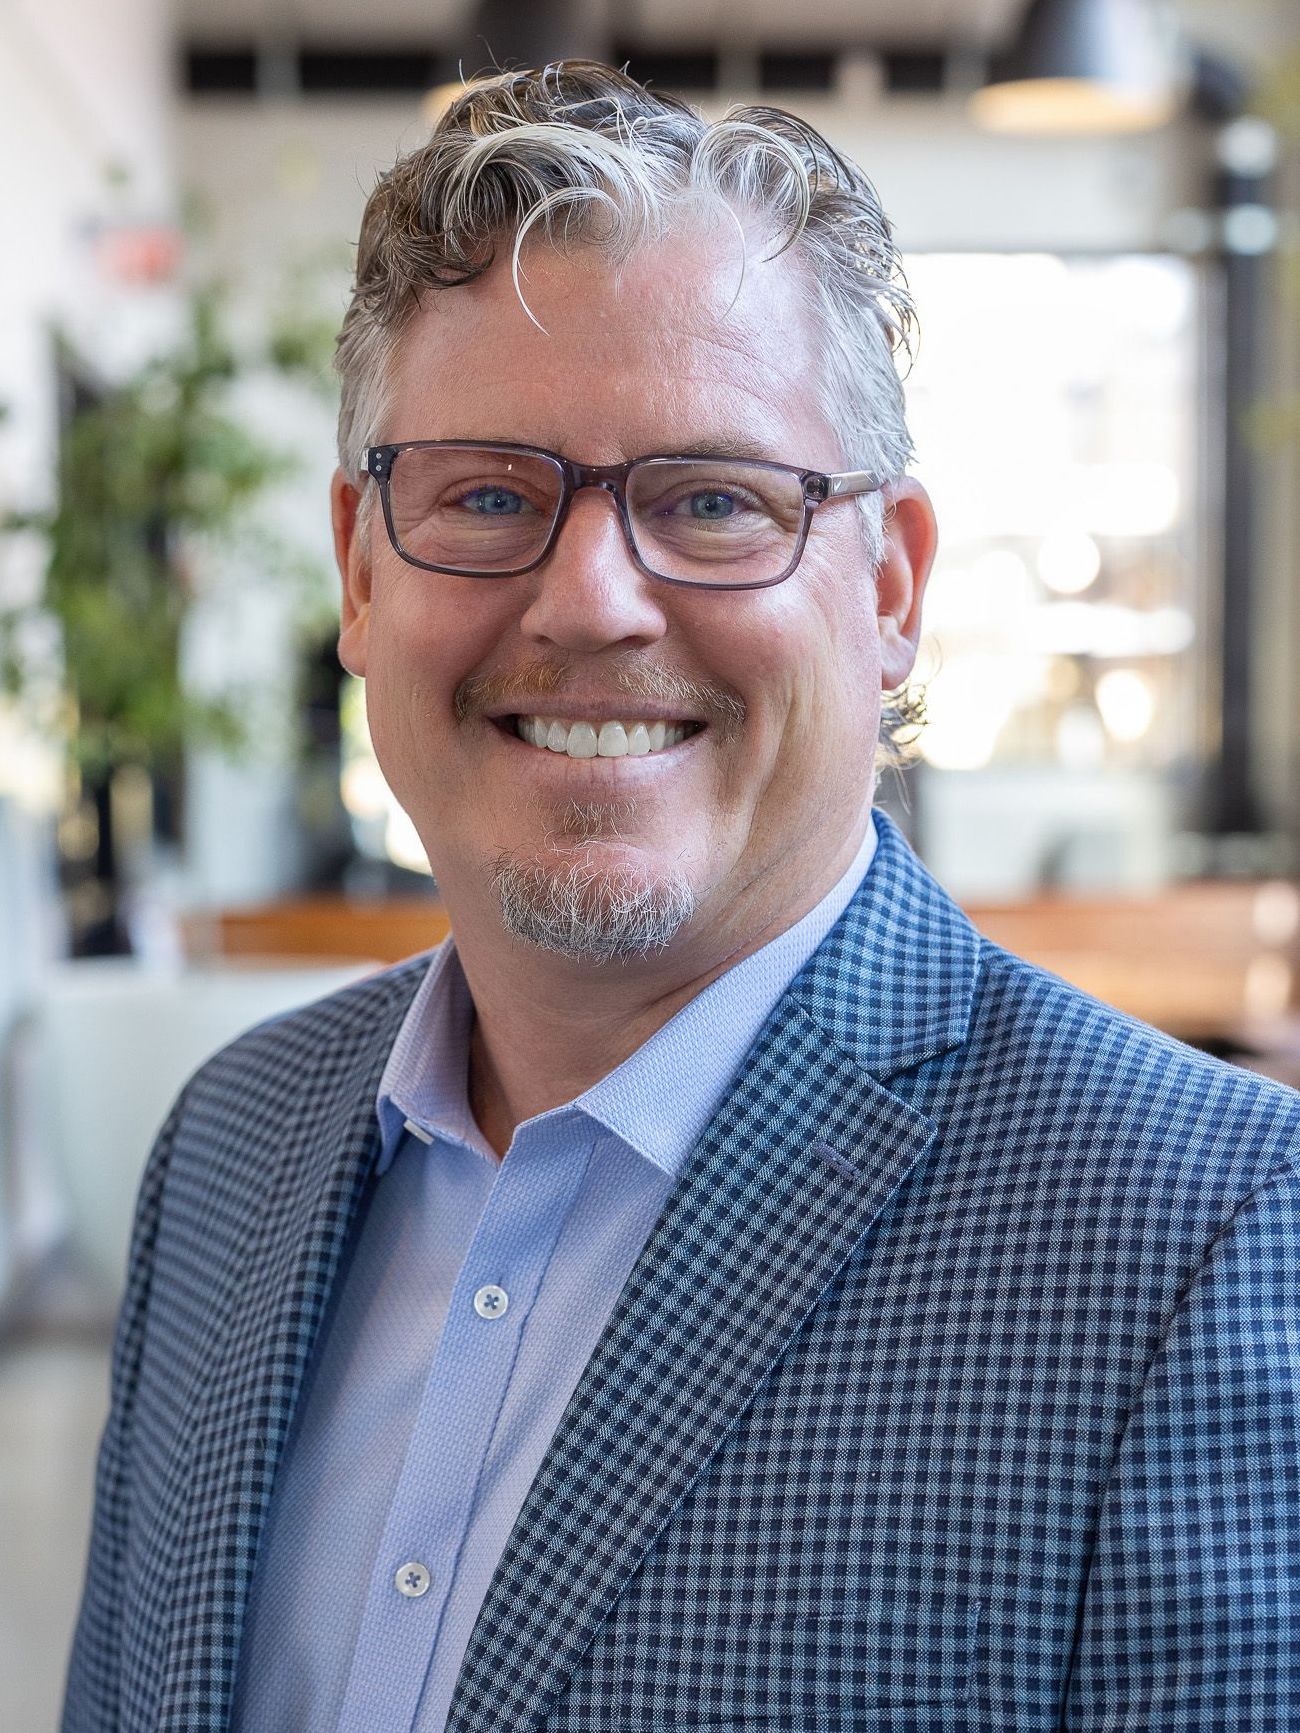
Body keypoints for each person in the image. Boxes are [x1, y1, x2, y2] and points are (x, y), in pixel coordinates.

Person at [62, 61, 1300, 1733]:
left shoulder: (1200, 1241)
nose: (589, 598)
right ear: (361, 567)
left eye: (713, 501)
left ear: (890, 585)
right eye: (488, 494)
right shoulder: (228, 1150)